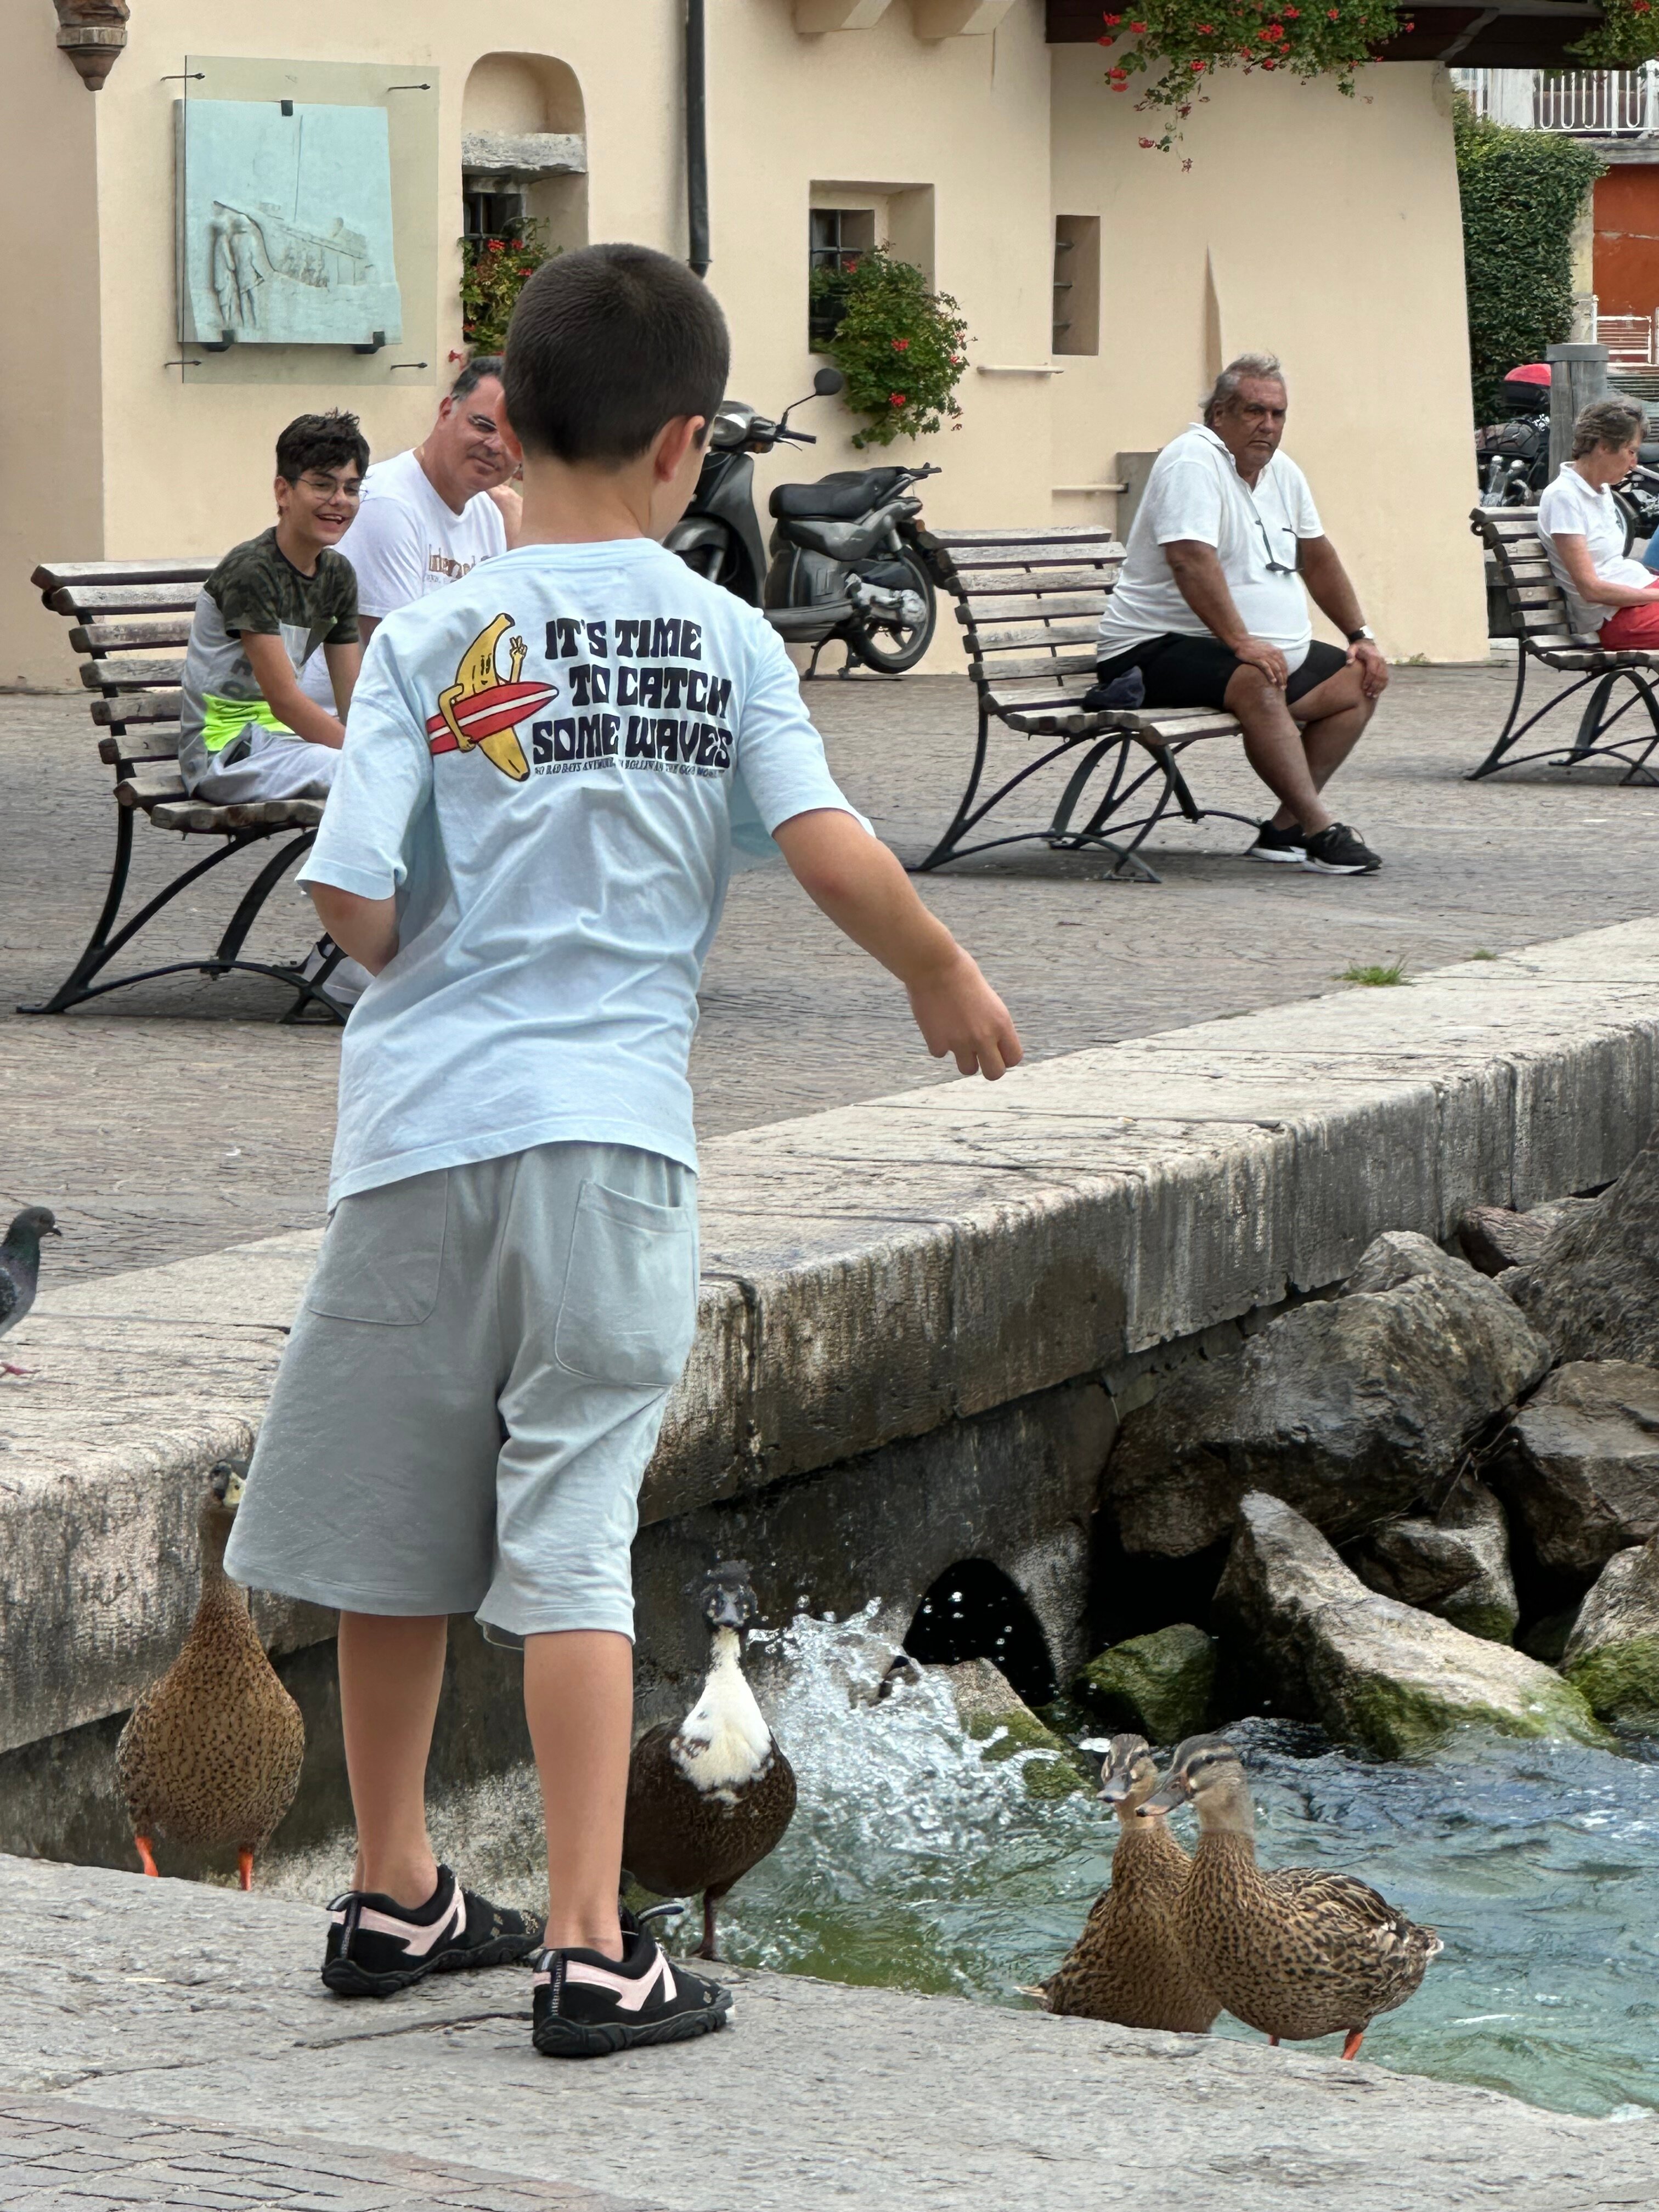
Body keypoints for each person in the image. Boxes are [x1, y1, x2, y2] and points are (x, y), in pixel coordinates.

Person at [223, 242, 1021, 2059]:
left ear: (505, 428)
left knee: (394, 1533)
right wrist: (940, 971)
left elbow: (347, 889)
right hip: (607, 1145)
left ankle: (397, 1888)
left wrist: (434, 971)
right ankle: (592, 1944)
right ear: (687, 447)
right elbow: (821, 841)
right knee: (573, 1534)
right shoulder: (724, 637)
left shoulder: (429, 635)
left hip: (417, 1139)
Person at [1095, 352, 1389, 875]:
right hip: (1150, 651)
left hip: (1239, 653)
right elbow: (1190, 559)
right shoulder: (1193, 461)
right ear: (1220, 414)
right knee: (1257, 680)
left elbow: (1318, 557)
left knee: (1358, 682)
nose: (1268, 425)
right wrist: (1240, 642)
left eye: (1278, 414)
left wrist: (1359, 635)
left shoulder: (1284, 473)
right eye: (1255, 411)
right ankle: (1320, 829)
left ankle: (1284, 831)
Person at [295, 359, 521, 1003]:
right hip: (332, 721)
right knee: (470, 775)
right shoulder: (391, 505)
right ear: (446, 411)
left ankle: (491, 950)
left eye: (512, 437)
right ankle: (359, 962)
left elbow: (496, 641)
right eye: (482, 424)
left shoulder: (484, 514)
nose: (495, 446)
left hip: (421, 715)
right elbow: (384, 664)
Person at [177, 411, 366, 806]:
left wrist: (381, 746)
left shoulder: (338, 576)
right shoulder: (252, 570)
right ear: (283, 492)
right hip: (224, 754)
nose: (340, 501)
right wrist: (367, 756)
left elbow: (353, 698)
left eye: (351, 488)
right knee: (365, 776)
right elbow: (284, 701)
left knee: (410, 770)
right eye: (323, 485)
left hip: (287, 744)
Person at [1538, 397, 1659, 646]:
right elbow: (1591, 589)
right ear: (1603, 446)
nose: (1634, 463)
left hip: (1638, 596)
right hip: (1617, 617)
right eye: (1631, 451)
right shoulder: (1563, 496)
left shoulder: (1601, 491)